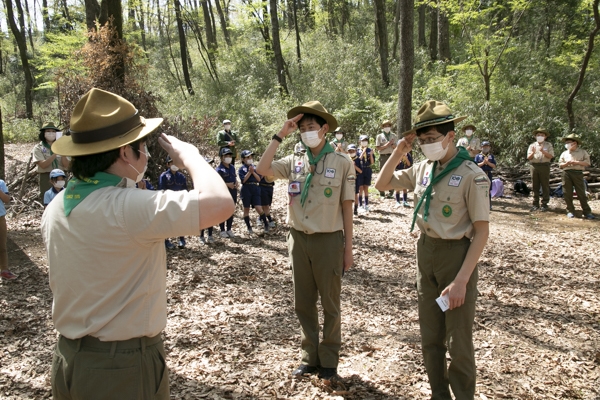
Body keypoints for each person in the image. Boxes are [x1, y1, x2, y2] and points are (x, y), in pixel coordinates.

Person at [41, 88, 234, 400]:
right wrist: (192, 157)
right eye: (141, 144)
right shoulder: (127, 207)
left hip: (70, 358)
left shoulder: (59, 204)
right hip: (120, 369)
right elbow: (220, 204)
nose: (145, 151)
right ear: (124, 152)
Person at [375, 100, 490, 400]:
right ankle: (439, 394)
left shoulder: (470, 174)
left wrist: (461, 281)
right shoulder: (422, 168)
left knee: (458, 339)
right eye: (422, 141)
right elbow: (381, 183)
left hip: (456, 257)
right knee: (431, 335)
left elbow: (481, 231)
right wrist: (399, 152)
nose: (427, 145)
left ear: (450, 137)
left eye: (432, 139)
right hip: (425, 252)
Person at [256, 100, 355, 381]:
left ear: (324, 129)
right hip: (298, 239)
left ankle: (329, 359)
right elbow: (263, 169)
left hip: (328, 240)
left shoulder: (342, 162)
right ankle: (308, 356)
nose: (306, 132)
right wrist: (280, 135)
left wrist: (348, 248)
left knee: (330, 303)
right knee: (303, 302)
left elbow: (347, 208)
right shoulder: (295, 160)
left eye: (311, 127)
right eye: (301, 128)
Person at [202, 147, 238, 242]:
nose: (228, 157)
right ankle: (222, 230)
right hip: (223, 193)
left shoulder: (232, 168)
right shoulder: (219, 169)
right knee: (223, 211)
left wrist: (236, 183)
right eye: (226, 156)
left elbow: (235, 178)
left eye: (230, 156)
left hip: (233, 192)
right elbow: (217, 183)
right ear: (222, 157)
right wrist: (227, 185)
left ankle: (229, 229)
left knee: (231, 210)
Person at [558, 134, 595, 219]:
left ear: (575, 143)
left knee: (581, 193)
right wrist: (566, 164)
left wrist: (577, 162)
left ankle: (587, 212)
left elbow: (587, 163)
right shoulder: (564, 153)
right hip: (566, 173)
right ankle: (570, 210)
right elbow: (560, 165)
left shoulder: (582, 152)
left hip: (578, 173)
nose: (567, 144)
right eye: (566, 142)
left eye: (568, 142)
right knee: (567, 193)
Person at [32, 122, 69, 202]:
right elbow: (43, 165)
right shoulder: (38, 148)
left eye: (53, 131)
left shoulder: (62, 147)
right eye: (48, 131)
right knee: (47, 200)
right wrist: (55, 153)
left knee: (63, 199)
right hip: (46, 176)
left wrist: (62, 152)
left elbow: (66, 165)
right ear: (43, 133)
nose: (51, 133)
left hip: (61, 176)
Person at [159, 156, 189, 249]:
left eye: (175, 163)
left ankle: (181, 239)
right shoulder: (163, 176)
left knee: (180, 220)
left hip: (179, 202)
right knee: (167, 222)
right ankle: (166, 240)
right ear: (167, 164)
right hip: (168, 202)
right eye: (171, 163)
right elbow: (161, 190)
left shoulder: (181, 177)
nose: (174, 165)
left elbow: (185, 190)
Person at [239, 150, 269, 235]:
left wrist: (253, 172)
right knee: (246, 209)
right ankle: (249, 227)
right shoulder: (242, 169)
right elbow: (243, 180)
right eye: (248, 157)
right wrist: (249, 172)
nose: (250, 158)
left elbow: (259, 179)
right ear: (243, 159)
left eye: (251, 157)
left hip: (255, 188)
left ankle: (266, 225)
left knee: (258, 208)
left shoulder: (255, 167)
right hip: (246, 189)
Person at [527, 128, 554, 211]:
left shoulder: (548, 145)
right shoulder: (532, 145)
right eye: (538, 135)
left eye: (542, 135)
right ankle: (535, 204)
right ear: (535, 136)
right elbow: (528, 157)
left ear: (545, 137)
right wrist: (533, 152)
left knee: (545, 185)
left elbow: (551, 156)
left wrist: (543, 151)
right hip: (534, 166)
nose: (540, 136)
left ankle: (544, 204)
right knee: (535, 185)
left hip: (545, 166)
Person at [375, 120, 397, 198]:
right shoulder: (379, 136)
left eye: (388, 126)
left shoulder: (394, 135)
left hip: (391, 155)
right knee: (382, 173)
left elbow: (396, 147)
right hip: (383, 156)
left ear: (390, 127)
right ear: (383, 127)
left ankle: (391, 191)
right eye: (385, 126)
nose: (387, 127)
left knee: (392, 173)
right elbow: (378, 148)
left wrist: (392, 144)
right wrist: (387, 145)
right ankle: (381, 192)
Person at [0, 179, 16, 281]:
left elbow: (7, 199)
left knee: (2, 245)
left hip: (0, 218)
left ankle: (4, 270)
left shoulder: (1, 182)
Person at [474, 141, 496, 210]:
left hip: (488, 173)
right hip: (480, 173)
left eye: (487, 146)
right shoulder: (478, 156)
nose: (486, 148)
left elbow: (494, 166)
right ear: (481, 147)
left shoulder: (491, 156)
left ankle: (489, 205)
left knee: (488, 189)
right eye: (484, 147)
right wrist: (483, 163)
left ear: (489, 147)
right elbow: (475, 165)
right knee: (479, 188)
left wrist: (488, 162)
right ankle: (479, 204)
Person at [357, 134, 374, 212]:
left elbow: (372, 162)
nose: (364, 142)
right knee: (360, 188)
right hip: (360, 170)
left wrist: (370, 155)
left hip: (367, 169)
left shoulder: (370, 150)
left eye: (366, 141)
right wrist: (362, 152)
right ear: (359, 141)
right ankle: (360, 205)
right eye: (363, 141)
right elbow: (358, 160)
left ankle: (366, 204)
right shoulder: (357, 150)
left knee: (366, 188)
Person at [347, 144, 362, 216]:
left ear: (355, 151)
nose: (351, 152)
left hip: (356, 178)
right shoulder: (346, 159)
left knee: (356, 194)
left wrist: (354, 166)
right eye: (349, 151)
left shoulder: (358, 160)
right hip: (347, 179)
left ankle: (355, 209)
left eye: (352, 151)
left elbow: (361, 171)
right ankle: (348, 209)